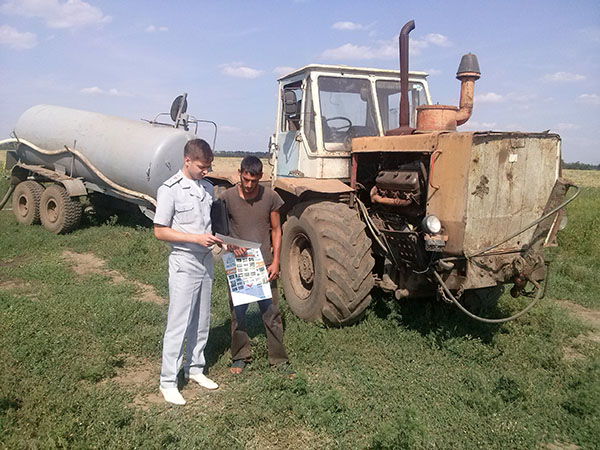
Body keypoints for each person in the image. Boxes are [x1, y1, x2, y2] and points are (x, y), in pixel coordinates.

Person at [153, 138, 223, 405]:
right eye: (202, 167)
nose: (206, 171)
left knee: (201, 319)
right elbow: (160, 231)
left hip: (205, 260)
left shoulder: (207, 188)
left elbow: (210, 224)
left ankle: (194, 368)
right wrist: (195, 239)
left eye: (208, 167)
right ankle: (168, 381)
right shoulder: (170, 189)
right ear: (187, 161)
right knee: (178, 322)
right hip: (184, 261)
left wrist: (219, 239)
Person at [221, 155, 294, 376]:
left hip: (264, 264)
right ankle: (240, 356)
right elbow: (220, 231)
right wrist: (230, 245)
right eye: (245, 179)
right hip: (238, 266)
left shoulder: (270, 197)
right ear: (239, 173)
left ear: (261, 176)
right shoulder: (227, 198)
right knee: (238, 313)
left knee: (271, 313)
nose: (249, 185)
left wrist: (276, 262)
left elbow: (276, 230)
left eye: (254, 180)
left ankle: (279, 360)